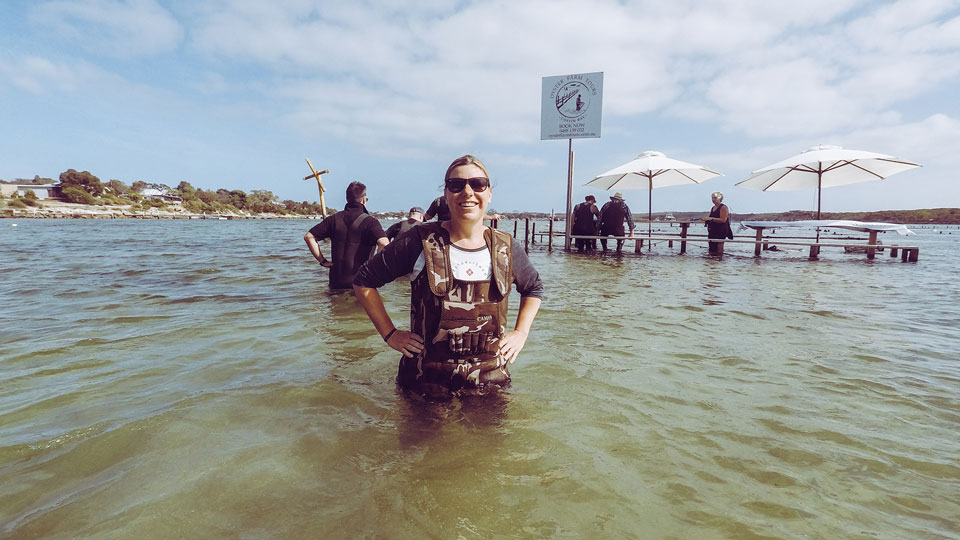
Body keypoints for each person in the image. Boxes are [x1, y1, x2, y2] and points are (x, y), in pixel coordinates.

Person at [353, 155, 544, 398]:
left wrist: (521, 333)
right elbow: (364, 280)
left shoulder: (506, 246)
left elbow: (534, 288)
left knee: (494, 437)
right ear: (446, 194)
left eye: (478, 184)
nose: (467, 192)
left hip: (490, 382)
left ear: (489, 193)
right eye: (456, 185)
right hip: (425, 383)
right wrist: (390, 333)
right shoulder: (418, 242)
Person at [304, 181, 388, 289]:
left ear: (347, 199)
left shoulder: (334, 219)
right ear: (363, 200)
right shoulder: (370, 222)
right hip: (361, 282)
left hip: (336, 281)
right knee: (357, 306)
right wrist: (376, 268)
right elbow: (384, 243)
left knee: (336, 305)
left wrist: (322, 261)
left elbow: (309, 237)